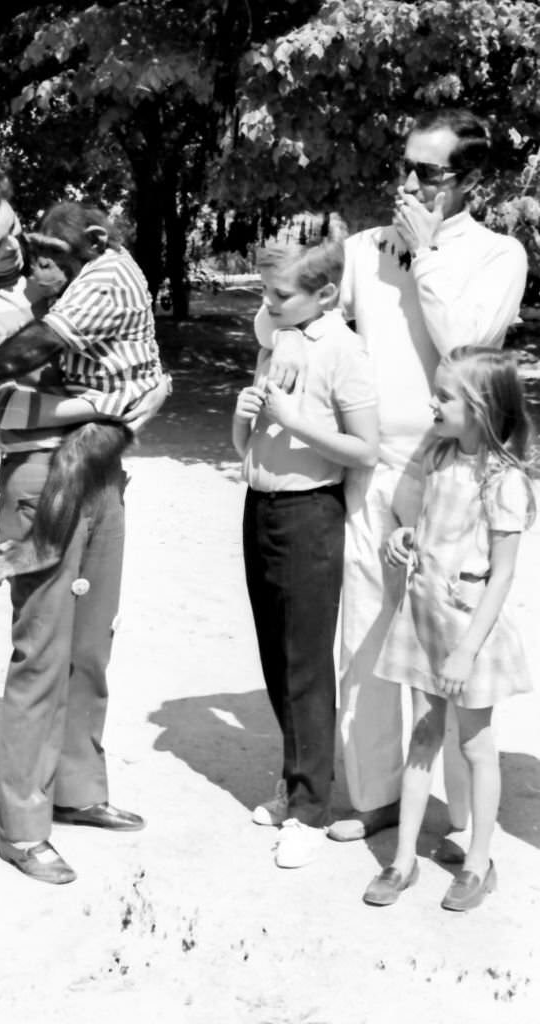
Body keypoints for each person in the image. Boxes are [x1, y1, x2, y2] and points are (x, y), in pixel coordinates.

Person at [0, 175, 168, 886]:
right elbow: (5, 412)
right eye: (2, 242)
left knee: (92, 646)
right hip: (37, 481)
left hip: (99, 473)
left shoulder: (46, 287)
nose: (20, 247)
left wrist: (107, 407)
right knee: (42, 655)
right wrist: (110, 408)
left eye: (20, 229)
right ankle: (22, 823)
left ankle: (79, 791)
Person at [316, 108, 527, 846]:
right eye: (402, 167)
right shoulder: (366, 249)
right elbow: (315, 325)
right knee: (368, 637)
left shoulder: (499, 255)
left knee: (456, 634)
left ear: (470, 180)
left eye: (427, 173)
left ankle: (467, 821)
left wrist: (428, 252)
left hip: (458, 475)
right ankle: (374, 797)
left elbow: (465, 347)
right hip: (374, 467)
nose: (407, 185)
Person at [363, 347, 534, 911]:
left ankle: (479, 864)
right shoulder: (437, 457)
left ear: (481, 407)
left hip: (468, 635)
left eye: (444, 395)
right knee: (423, 737)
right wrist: (404, 536)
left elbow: (503, 574)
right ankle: (403, 859)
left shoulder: (504, 480)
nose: (432, 402)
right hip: (424, 619)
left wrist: (466, 652)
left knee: (476, 744)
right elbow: (427, 525)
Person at [232, 214, 378, 868]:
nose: (267, 307)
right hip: (258, 503)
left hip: (307, 511)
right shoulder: (280, 339)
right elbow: (253, 445)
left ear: (324, 296)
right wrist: (243, 428)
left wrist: (293, 420)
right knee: (273, 655)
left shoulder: (341, 349)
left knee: (305, 664)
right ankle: (294, 783)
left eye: (279, 297)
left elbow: (364, 447)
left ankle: (311, 809)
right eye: (264, 296)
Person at [0, 200, 167, 577]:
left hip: (113, 402)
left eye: (54, 254)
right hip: (91, 409)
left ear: (96, 241)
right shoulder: (92, 266)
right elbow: (3, 406)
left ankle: (44, 545)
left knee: (72, 457)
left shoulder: (105, 276)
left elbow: (43, 341)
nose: (39, 262)